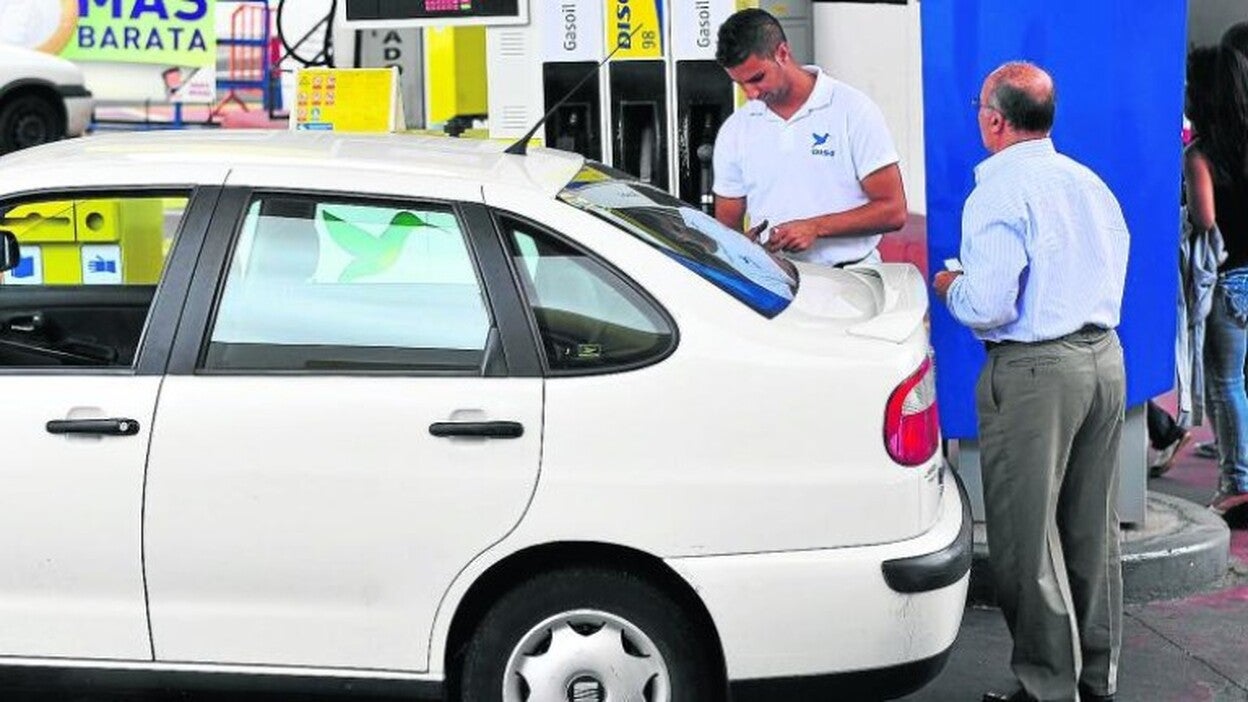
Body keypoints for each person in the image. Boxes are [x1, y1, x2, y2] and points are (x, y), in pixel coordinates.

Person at [933, 62, 1129, 702]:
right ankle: (1095, 677)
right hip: (1104, 358)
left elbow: (988, 304)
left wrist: (950, 287)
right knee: (1089, 530)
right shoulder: (1088, 183)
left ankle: (1048, 687)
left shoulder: (996, 191)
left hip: (1038, 370)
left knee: (1025, 537)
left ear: (993, 119)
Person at [711, 8, 907, 267]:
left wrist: (816, 227)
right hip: (774, 283)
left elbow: (893, 210)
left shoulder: (852, 110)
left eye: (757, 78)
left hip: (852, 279)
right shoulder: (736, 129)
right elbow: (726, 230)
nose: (751, 94)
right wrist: (743, 247)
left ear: (782, 53)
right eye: (740, 84)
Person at [1186, 29, 1248, 517]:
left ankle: (1239, 483)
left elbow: (1205, 219)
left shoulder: (1201, 156)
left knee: (1226, 383)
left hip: (1228, 280)